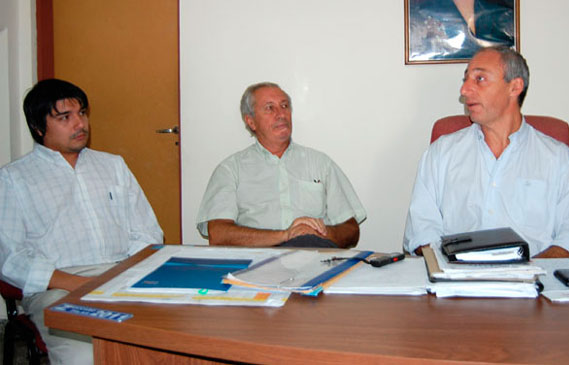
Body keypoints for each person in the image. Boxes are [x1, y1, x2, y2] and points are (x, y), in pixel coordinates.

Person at [0, 79, 163, 364]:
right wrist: (77, 284)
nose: (80, 124)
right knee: (88, 356)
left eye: (82, 114)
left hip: (121, 277)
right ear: (38, 128)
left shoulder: (112, 165)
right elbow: (11, 258)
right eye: (65, 117)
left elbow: (147, 232)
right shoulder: (15, 178)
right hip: (58, 288)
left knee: (171, 343)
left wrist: (124, 277)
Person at [403, 46, 569, 258]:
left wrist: (531, 272)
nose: (465, 90)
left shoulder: (559, 159)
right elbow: (421, 230)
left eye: (480, 79)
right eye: (465, 80)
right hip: (457, 282)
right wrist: (450, 269)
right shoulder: (441, 153)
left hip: (535, 282)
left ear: (514, 87)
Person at [196, 82, 366, 248]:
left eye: (284, 106)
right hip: (257, 267)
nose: (281, 114)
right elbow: (218, 234)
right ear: (251, 122)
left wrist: (320, 232)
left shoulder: (321, 163)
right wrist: (286, 235)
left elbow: (351, 230)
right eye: (270, 108)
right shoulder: (231, 170)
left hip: (315, 260)